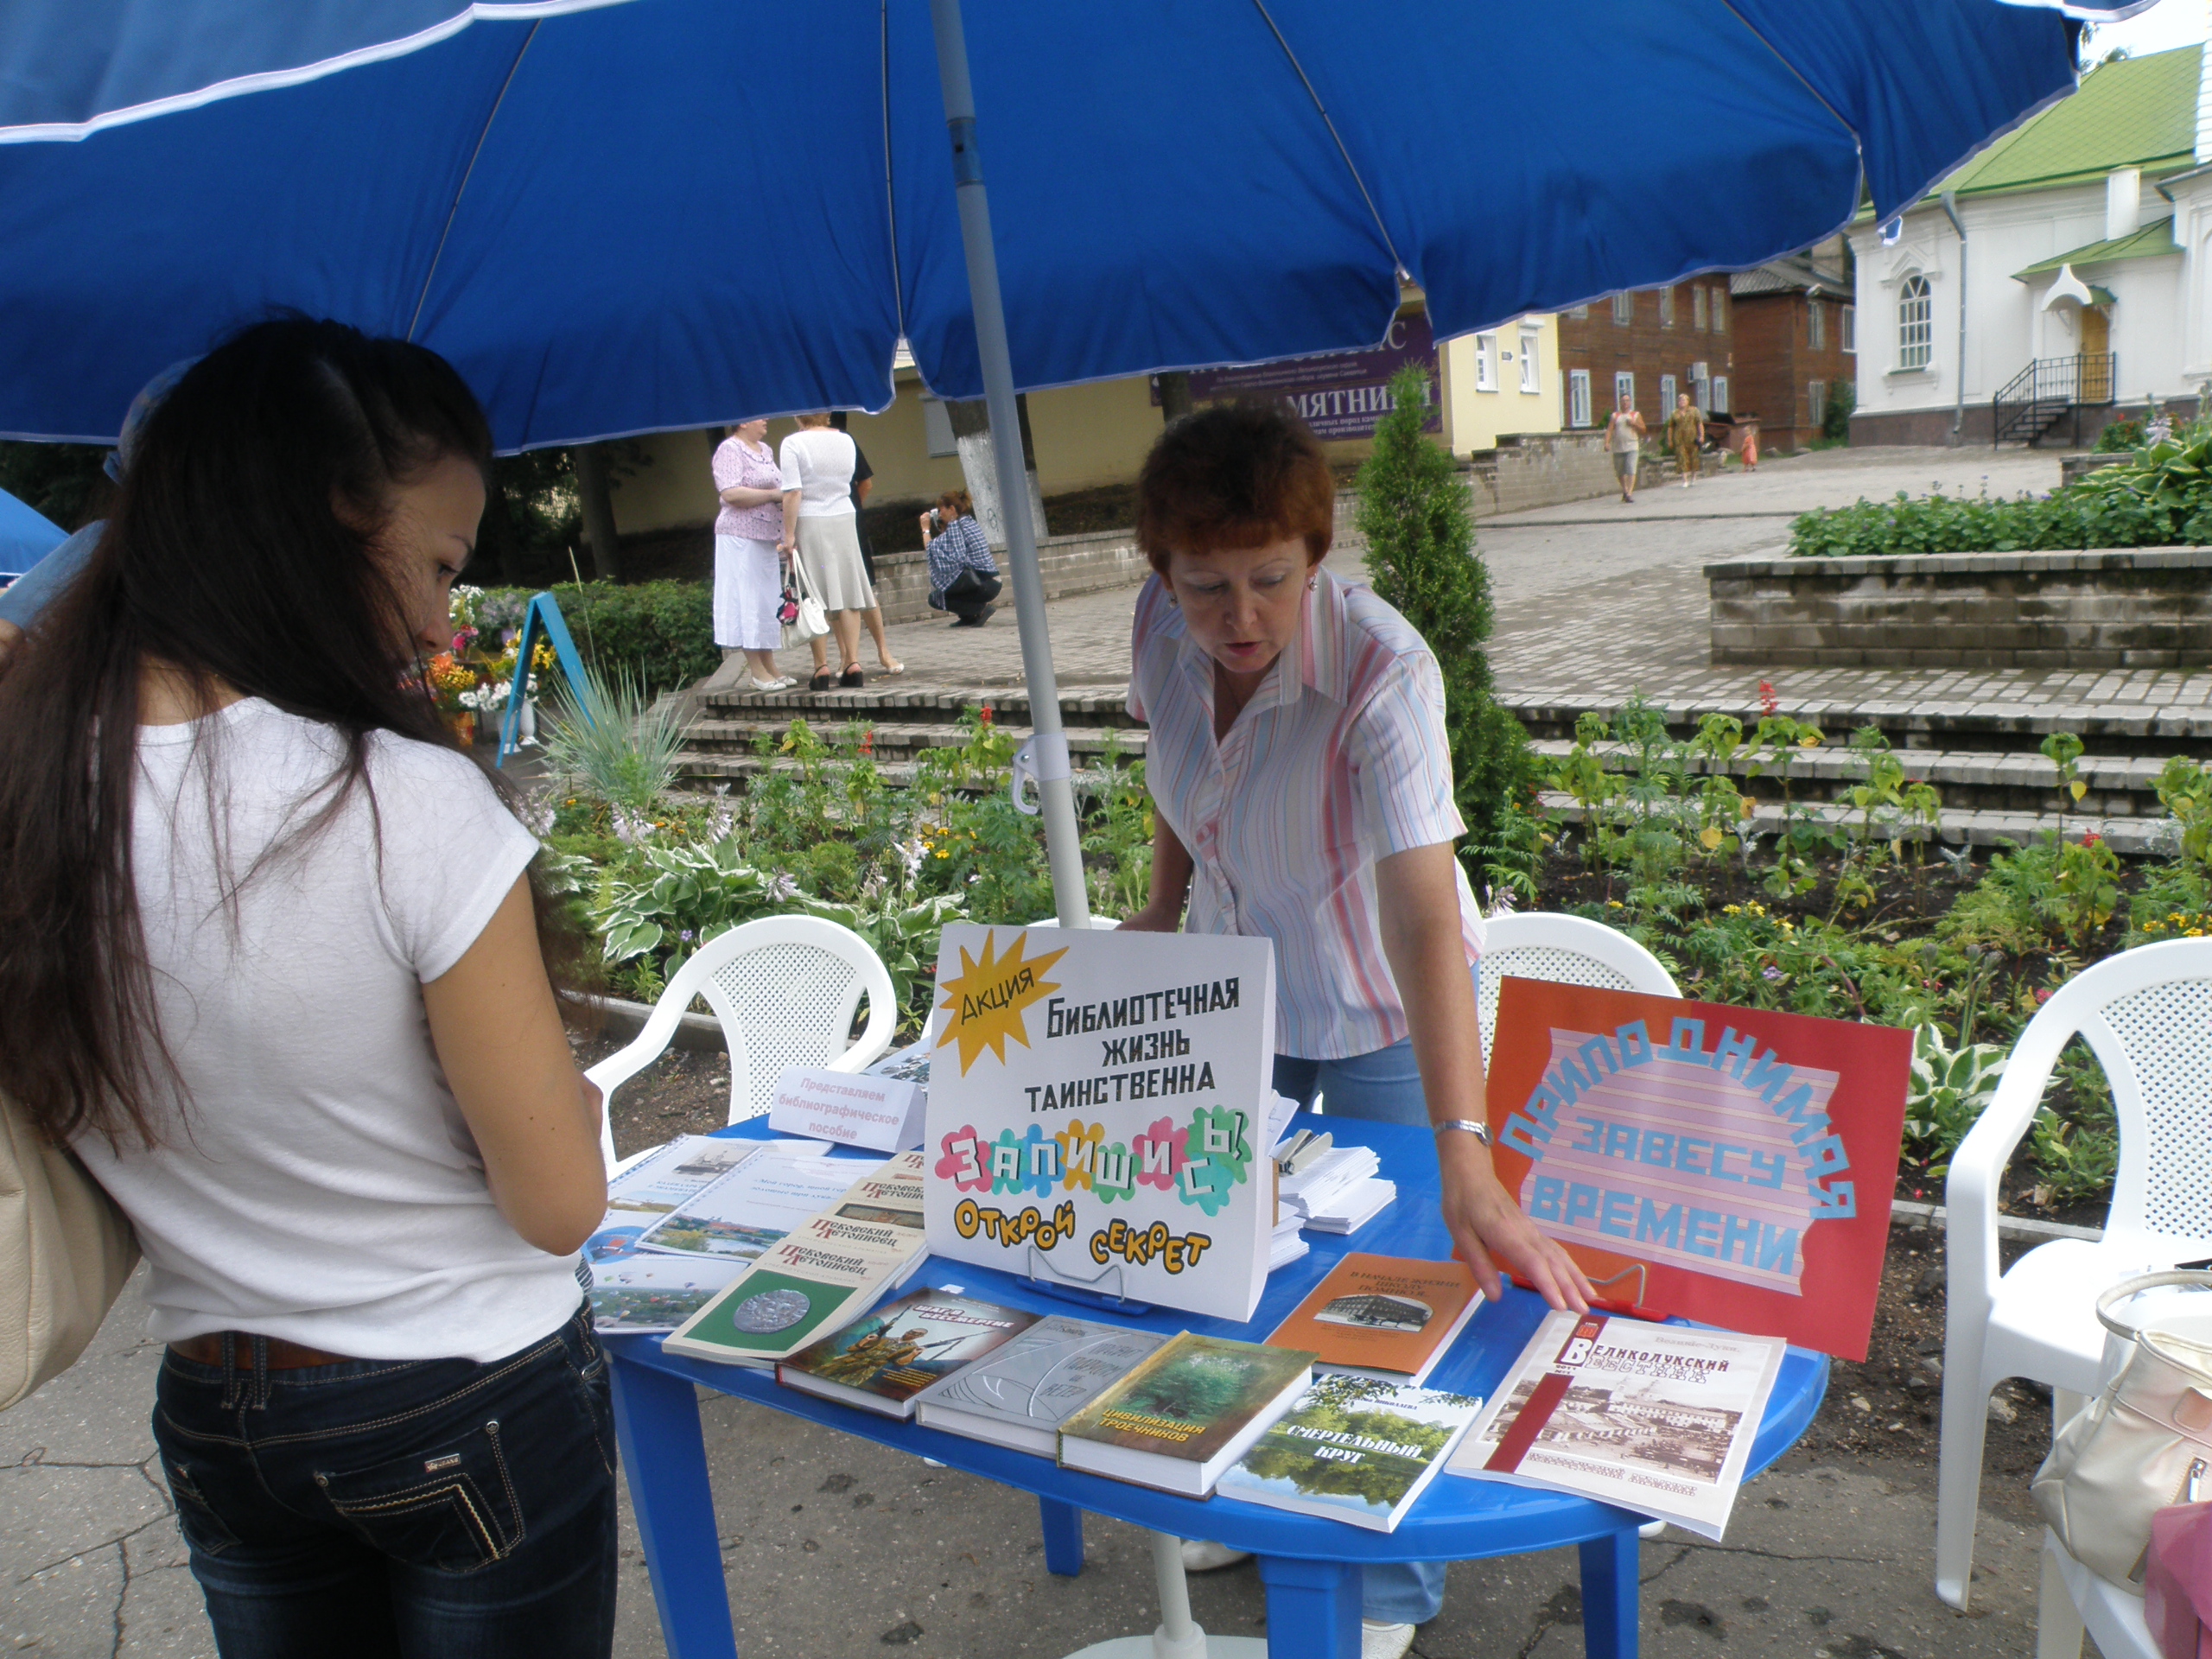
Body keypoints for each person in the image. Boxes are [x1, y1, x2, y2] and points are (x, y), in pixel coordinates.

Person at [0, 320, 616, 1656]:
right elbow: (559, 1204)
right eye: (441, 564)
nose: (447, 618)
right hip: (468, 1394)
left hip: (222, 1414)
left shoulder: (35, 791)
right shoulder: (403, 801)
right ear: (336, 514)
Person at [1120, 403, 1591, 1659]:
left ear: (1316, 555)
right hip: (1233, 994)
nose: (1239, 619)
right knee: (1234, 1261)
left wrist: (1466, 1148)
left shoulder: (1384, 672)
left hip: (1378, 1004)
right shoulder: (1160, 636)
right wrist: (1160, 910)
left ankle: (1381, 1587)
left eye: (1271, 579)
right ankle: (1238, 1462)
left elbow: (1426, 915)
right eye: (1204, 584)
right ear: (1162, 574)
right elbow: (1180, 778)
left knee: (1392, 1295)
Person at [778, 413, 885, 690]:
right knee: (848, 590)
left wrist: (788, 536)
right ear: (826, 414)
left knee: (815, 593)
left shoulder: (792, 443)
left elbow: (793, 492)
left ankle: (821, 666)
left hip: (811, 521)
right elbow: (851, 482)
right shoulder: (846, 441)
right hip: (845, 518)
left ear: (798, 416)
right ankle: (852, 662)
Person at [711, 416, 794, 691]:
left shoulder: (765, 450)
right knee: (747, 600)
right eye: (759, 416)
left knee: (765, 602)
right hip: (739, 537)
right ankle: (756, 671)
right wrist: (772, 495)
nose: (766, 419)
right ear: (742, 423)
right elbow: (731, 493)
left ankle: (771, 667)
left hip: (765, 537)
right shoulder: (730, 449)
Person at [829, 410, 903, 676]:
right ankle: (848, 657)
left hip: (848, 525)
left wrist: (852, 508)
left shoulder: (845, 442)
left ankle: (878, 652)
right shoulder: (814, 443)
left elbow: (865, 484)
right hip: (841, 524)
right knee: (838, 593)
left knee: (860, 590)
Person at [918, 491, 1001, 626]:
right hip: (990, 581)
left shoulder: (957, 526)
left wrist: (925, 529)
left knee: (937, 597)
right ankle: (969, 617)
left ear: (951, 509)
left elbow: (933, 549)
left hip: (980, 583)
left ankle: (980, 610)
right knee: (946, 589)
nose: (939, 515)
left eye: (941, 510)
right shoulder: (968, 522)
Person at [1605, 399, 1645, 504]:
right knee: (1620, 471)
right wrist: (1607, 442)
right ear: (1620, 403)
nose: (1625, 403)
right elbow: (1610, 429)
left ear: (1630, 402)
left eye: (1627, 401)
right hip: (1618, 447)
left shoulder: (1635, 415)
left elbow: (1643, 429)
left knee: (1631, 469)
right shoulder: (1615, 416)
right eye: (1623, 401)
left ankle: (1629, 493)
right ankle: (1625, 490)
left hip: (1632, 445)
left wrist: (1634, 424)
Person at [1666, 391, 1706, 487]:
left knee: (1693, 458)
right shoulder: (1675, 413)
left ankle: (1693, 477)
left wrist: (1701, 436)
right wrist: (1670, 440)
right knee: (1682, 458)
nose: (1681, 402)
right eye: (1680, 400)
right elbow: (1670, 427)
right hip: (1679, 439)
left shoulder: (1694, 411)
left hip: (1692, 438)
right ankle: (1685, 480)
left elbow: (1699, 423)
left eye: (1684, 400)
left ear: (1688, 401)